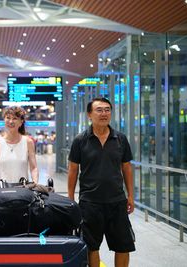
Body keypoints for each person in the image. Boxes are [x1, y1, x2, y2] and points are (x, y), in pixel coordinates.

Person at [67, 97, 135, 267]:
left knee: (123, 246)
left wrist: (131, 196)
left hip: (117, 201)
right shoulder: (80, 140)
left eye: (107, 109)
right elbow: (73, 170)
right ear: (89, 114)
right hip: (90, 202)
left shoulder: (120, 138)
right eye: (99, 110)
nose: (104, 113)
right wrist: (70, 198)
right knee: (91, 247)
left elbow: (126, 168)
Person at [0, 106, 38, 188]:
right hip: (2, 189)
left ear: (21, 122)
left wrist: (35, 183)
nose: (11, 121)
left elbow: (33, 167)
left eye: (15, 118)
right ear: (4, 120)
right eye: (8, 118)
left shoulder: (28, 142)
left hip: (23, 189)